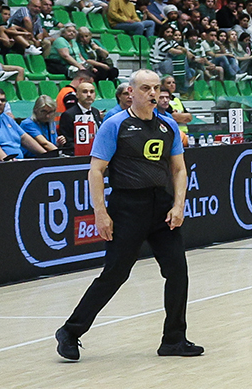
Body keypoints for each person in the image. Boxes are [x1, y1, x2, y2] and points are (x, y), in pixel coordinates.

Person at [54, 70, 202, 361]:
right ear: (131, 92)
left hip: (161, 206)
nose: (153, 93)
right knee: (116, 274)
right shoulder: (115, 125)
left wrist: (178, 205)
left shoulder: (168, 125)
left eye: (156, 88)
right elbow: (96, 170)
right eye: (146, 88)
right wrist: (101, 213)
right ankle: (70, 332)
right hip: (127, 206)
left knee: (177, 272)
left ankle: (173, 339)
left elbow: (179, 169)